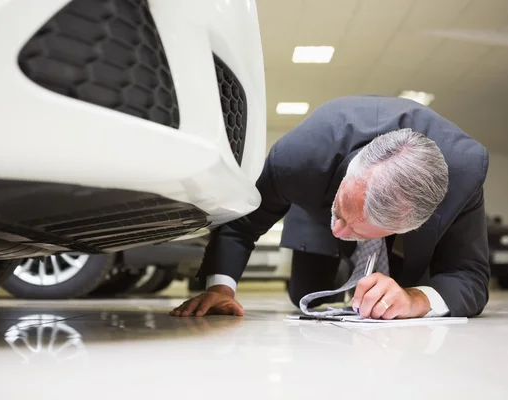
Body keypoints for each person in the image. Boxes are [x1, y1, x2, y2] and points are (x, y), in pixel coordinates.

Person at [170, 95, 490, 319]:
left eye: (355, 228)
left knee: (400, 292)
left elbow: (470, 277)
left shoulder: (464, 173)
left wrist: (414, 298)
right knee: (305, 292)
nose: (339, 229)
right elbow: (242, 224)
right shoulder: (298, 157)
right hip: (318, 194)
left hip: (391, 211)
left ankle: (373, 252)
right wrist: (221, 289)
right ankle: (345, 253)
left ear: (409, 224)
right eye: (341, 213)